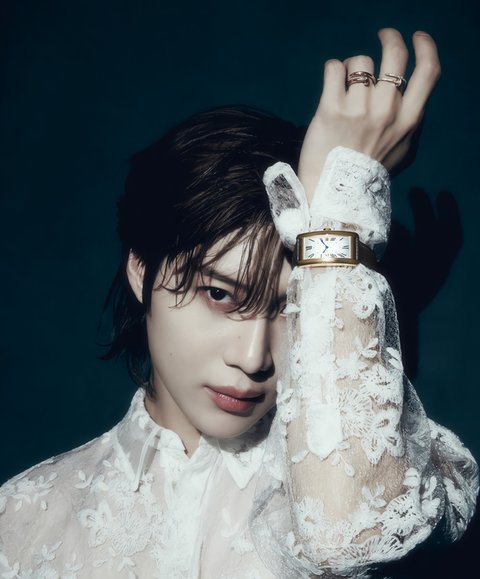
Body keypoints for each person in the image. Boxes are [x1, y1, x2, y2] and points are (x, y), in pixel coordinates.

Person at [0, 28, 478, 578]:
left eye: (292, 309)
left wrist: (339, 217)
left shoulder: (418, 475)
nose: (254, 358)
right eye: (220, 294)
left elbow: (351, 541)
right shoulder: (22, 519)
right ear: (141, 270)